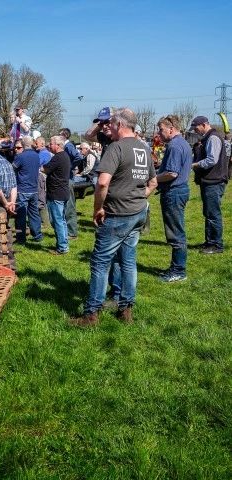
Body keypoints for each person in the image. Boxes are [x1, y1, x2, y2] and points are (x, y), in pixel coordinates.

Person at [74, 108, 157, 326]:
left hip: (118, 213)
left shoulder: (116, 148)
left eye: (111, 124)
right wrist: (138, 197)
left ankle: (91, 313)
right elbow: (153, 183)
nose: (107, 127)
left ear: (120, 125)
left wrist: (97, 209)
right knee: (128, 261)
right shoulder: (144, 148)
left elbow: (102, 182)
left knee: (100, 262)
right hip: (138, 212)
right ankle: (126, 309)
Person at [155, 114, 193, 282]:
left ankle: (178, 270)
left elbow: (172, 173)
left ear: (171, 129)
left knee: (176, 233)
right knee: (177, 230)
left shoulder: (175, 146)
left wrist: (153, 179)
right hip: (180, 190)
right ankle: (177, 267)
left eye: (161, 129)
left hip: (174, 192)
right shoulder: (182, 143)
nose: (159, 133)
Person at [190, 115, 229, 254]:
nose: (195, 130)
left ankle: (216, 245)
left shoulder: (213, 138)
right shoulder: (208, 138)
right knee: (209, 212)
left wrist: (195, 165)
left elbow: (212, 160)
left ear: (204, 124)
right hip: (210, 181)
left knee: (213, 213)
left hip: (214, 181)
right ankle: (209, 242)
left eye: (196, 127)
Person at [43, 136, 71, 254]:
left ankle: (62, 247)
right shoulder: (65, 156)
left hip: (56, 193)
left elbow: (46, 169)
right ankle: (64, 243)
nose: (49, 145)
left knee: (57, 221)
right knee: (62, 220)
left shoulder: (58, 157)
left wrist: (41, 167)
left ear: (57, 145)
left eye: (51, 144)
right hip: (63, 192)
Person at [12, 136, 42, 243]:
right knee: (34, 213)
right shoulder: (36, 155)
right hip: (34, 188)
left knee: (21, 214)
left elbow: (13, 169)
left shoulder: (20, 156)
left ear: (23, 144)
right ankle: (37, 235)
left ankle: (21, 238)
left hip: (22, 188)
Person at [58, 128, 84, 239]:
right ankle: (69, 231)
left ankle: (72, 233)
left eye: (59, 135)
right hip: (67, 178)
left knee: (70, 205)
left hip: (68, 179)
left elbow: (78, 157)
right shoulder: (67, 146)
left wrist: (70, 166)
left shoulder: (68, 146)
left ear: (64, 136)